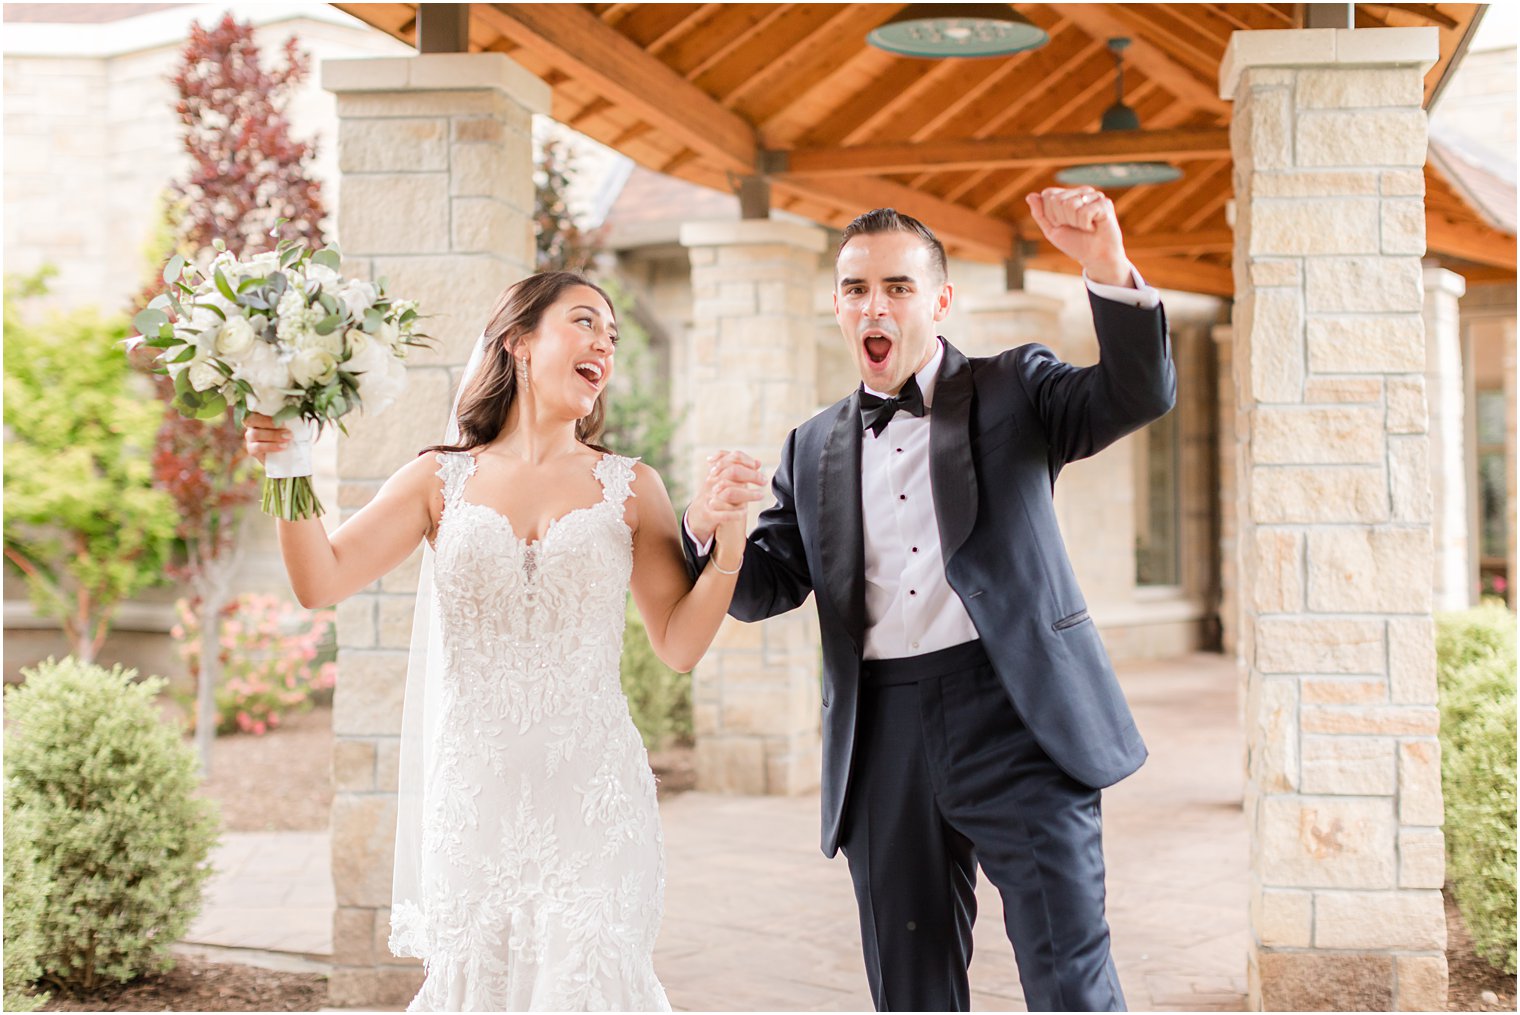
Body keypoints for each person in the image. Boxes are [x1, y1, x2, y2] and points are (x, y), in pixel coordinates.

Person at [683, 187, 1175, 1012]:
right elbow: (765, 584)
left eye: (898, 287)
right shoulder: (810, 447)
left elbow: (1137, 392)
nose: (874, 305)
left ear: (940, 301)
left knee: (1070, 976)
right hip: (885, 737)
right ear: (838, 304)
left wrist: (1102, 265)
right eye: (855, 288)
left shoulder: (1017, 387)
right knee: (910, 991)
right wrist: (707, 526)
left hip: (1019, 715)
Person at [244, 271, 763, 1012]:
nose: (604, 346)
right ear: (519, 341)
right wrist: (286, 467)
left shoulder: (631, 487)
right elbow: (318, 580)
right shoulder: (438, 479)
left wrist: (731, 544)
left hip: (594, 797)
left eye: (612, 336)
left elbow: (678, 645)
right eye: (586, 323)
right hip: (476, 801)